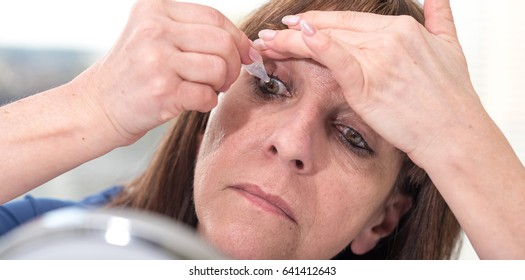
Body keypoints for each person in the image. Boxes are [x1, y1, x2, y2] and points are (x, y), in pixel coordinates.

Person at [0, 0, 523, 259]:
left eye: (354, 137)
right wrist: (92, 107)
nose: (292, 143)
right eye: (271, 87)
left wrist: (462, 138)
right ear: (210, 109)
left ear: (381, 222)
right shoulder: (51, 247)